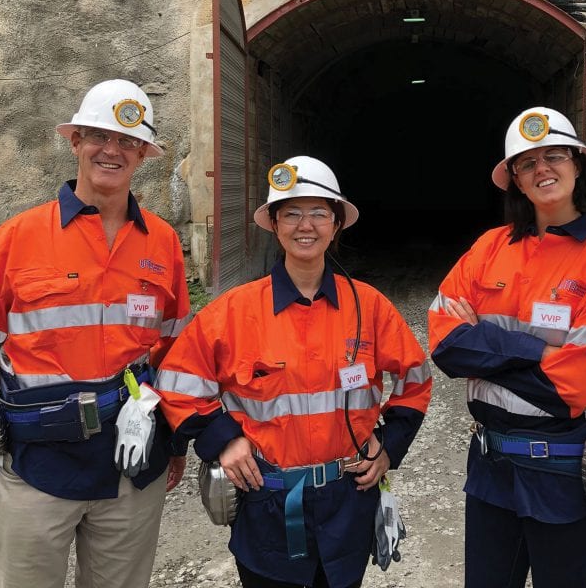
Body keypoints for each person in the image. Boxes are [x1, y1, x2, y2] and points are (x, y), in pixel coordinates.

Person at [0, 79, 191, 588]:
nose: (113, 150)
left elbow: (175, 354)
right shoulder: (20, 237)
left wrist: (175, 445)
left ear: (144, 154)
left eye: (129, 141)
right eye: (99, 136)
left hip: (131, 471)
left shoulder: (163, 243)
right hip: (39, 470)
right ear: (75, 141)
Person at [155, 155, 432, 588]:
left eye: (320, 212)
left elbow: (415, 378)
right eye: (293, 213)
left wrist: (389, 446)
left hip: (347, 503)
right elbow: (177, 383)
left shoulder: (369, 307)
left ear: (337, 224)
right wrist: (222, 440)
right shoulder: (234, 310)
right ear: (275, 224)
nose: (307, 225)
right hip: (266, 503)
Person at [427, 107, 586, 588]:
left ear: (578, 165)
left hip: (565, 469)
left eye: (554, 156)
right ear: (516, 181)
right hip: (492, 465)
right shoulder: (490, 247)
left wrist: (485, 344)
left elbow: (578, 385)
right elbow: (445, 346)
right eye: (527, 163)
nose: (543, 168)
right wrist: (539, 354)